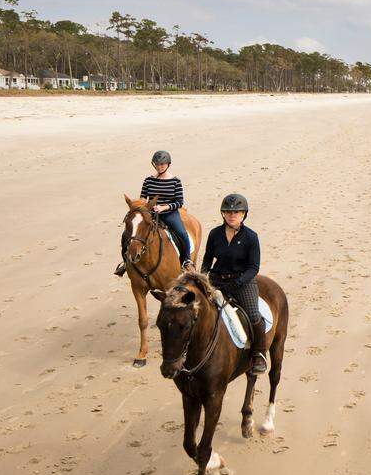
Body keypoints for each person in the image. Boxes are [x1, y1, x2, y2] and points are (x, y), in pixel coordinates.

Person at [200, 193, 268, 375]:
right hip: (216, 279)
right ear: (222, 213)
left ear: (244, 214)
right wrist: (203, 276)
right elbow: (207, 259)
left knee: (254, 315)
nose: (232, 215)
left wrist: (237, 283)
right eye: (228, 212)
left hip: (242, 282)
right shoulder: (215, 234)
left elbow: (254, 267)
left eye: (237, 212)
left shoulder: (251, 237)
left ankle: (259, 354)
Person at [115, 150, 192, 276]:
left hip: (169, 213)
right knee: (126, 234)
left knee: (182, 233)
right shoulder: (148, 180)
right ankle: (125, 262)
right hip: (149, 213)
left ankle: (187, 260)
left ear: (168, 164)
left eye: (162, 164)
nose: (159, 166)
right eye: (157, 164)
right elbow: (143, 197)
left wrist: (163, 207)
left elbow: (179, 202)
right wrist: (142, 206)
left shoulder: (175, 181)